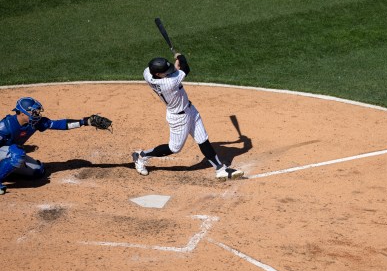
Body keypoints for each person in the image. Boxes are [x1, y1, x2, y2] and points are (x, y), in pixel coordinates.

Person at [132, 52, 244, 181]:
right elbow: (186, 68)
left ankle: (220, 169)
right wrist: (180, 57)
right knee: (174, 148)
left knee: (203, 139)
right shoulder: (170, 82)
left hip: (190, 110)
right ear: (158, 74)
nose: (169, 71)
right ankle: (141, 156)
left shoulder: (147, 73)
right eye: (166, 71)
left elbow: (175, 70)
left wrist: (174, 64)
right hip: (178, 118)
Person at [0, 97, 111, 195]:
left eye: (37, 112)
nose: (37, 115)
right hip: (6, 152)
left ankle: (6, 169)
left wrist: (85, 122)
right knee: (17, 154)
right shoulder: (5, 126)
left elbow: (59, 124)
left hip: (6, 154)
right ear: (22, 113)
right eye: (33, 112)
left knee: (37, 171)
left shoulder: (35, 123)